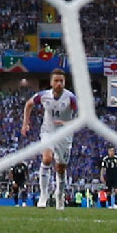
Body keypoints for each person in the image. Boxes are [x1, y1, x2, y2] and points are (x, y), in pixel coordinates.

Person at [22, 68, 79, 210]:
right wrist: (25, 124)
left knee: (60, 168)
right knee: (47, 159)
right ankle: (43, 195)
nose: (59, 83)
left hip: (65, 135)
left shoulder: (71, 98)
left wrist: (67, 123)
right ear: (51, 82)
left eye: (61, 81)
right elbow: (29, 104)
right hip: (48, 132)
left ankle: (59, 195)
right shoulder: (43, 95)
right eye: (56, 81)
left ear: (65, 82)